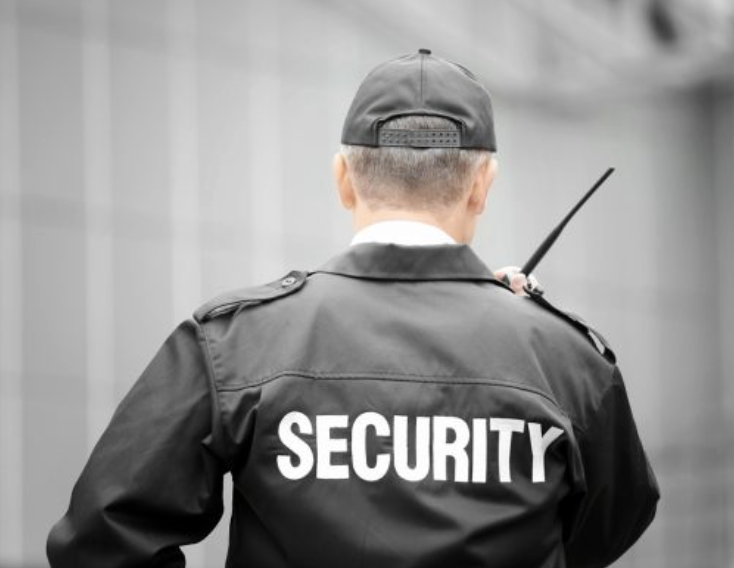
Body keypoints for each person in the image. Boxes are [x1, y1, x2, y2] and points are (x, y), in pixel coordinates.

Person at [47, 49, 658, 568]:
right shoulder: (571, 365)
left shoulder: (234, 345)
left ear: (344, 178)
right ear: (482, 186)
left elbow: (102, 541)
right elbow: (603, 529)